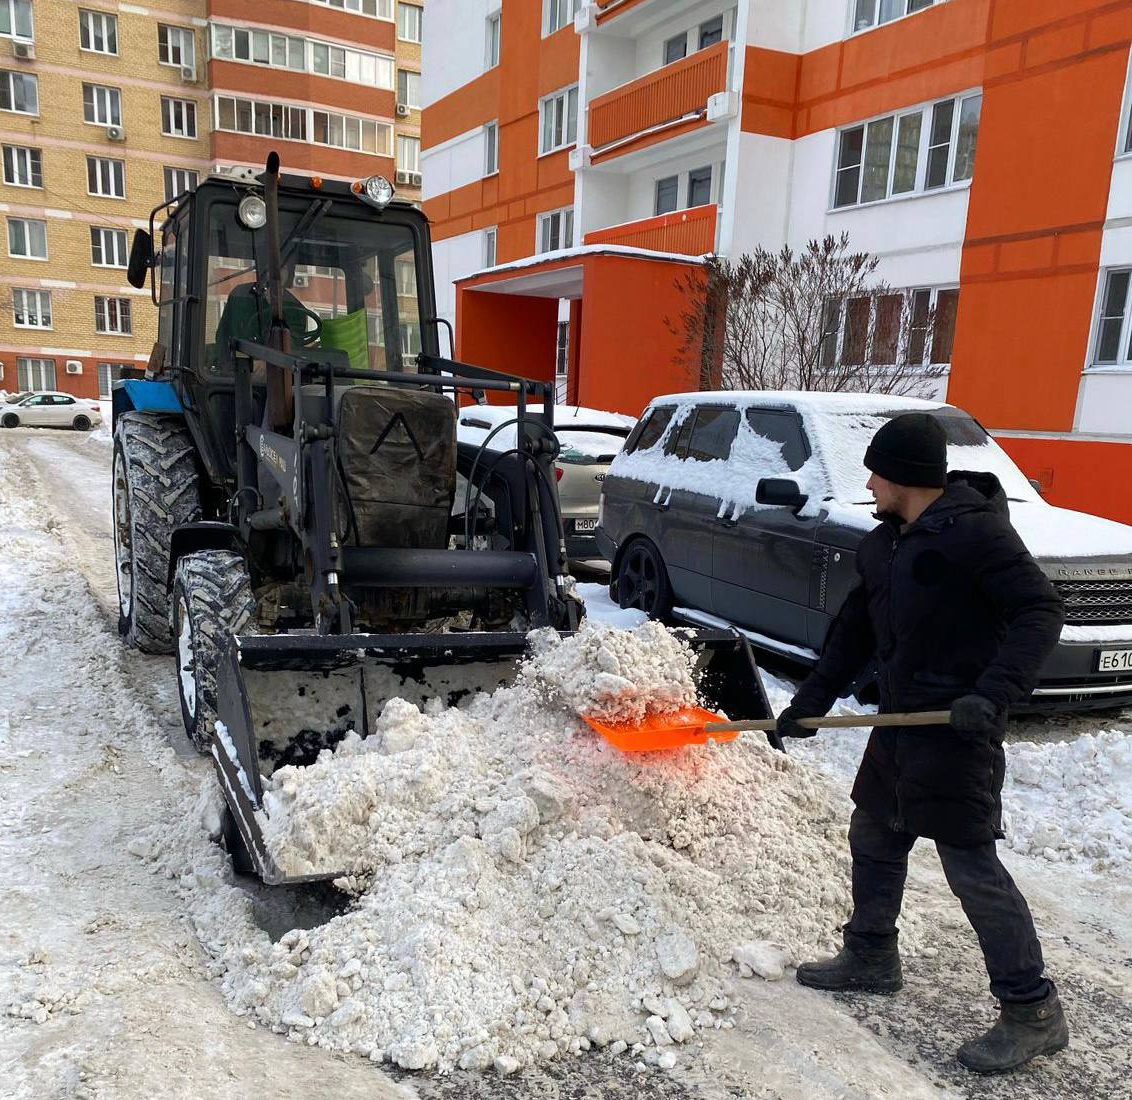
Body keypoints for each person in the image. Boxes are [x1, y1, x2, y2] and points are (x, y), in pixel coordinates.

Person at [777, 412, 1068, 1075]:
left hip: (956, 730)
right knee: (875, 833)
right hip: (900, 725)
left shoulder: (976, 536)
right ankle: (872, 955)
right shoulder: (886, 543)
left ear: (904, 475)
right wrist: (810, 701)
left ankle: (1033, 1010)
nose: (870, 484)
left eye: (876, 471)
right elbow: (853, 628)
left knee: (972, 871)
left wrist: (992, 694)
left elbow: (1040, 610)